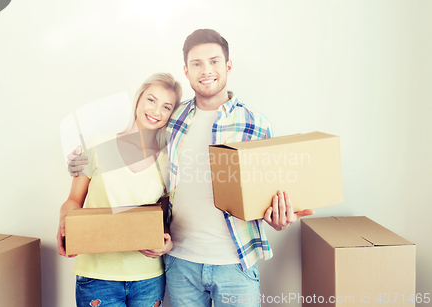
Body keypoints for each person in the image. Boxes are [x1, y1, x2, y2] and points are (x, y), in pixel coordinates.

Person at [68, 29, 314, 307]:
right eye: (196, 63)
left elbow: (269, 192)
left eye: (214, 61)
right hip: (180, 262)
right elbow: (129, 154)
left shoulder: (255, 123)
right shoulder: (172, 118)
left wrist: (278, 219)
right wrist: (79, 159)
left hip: (235, 263)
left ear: (228, 66)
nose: (206, 70)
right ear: (186, 71)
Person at [58, 73, 182, 307]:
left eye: (166, 107)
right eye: (151, 100)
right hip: (97, 276)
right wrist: (64, 220)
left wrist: (167, 242)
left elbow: (162, 219)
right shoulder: (97, 145)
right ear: (138, 100)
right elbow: (73, 200)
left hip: (148, 277)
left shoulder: (168, 161)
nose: (156, 111)